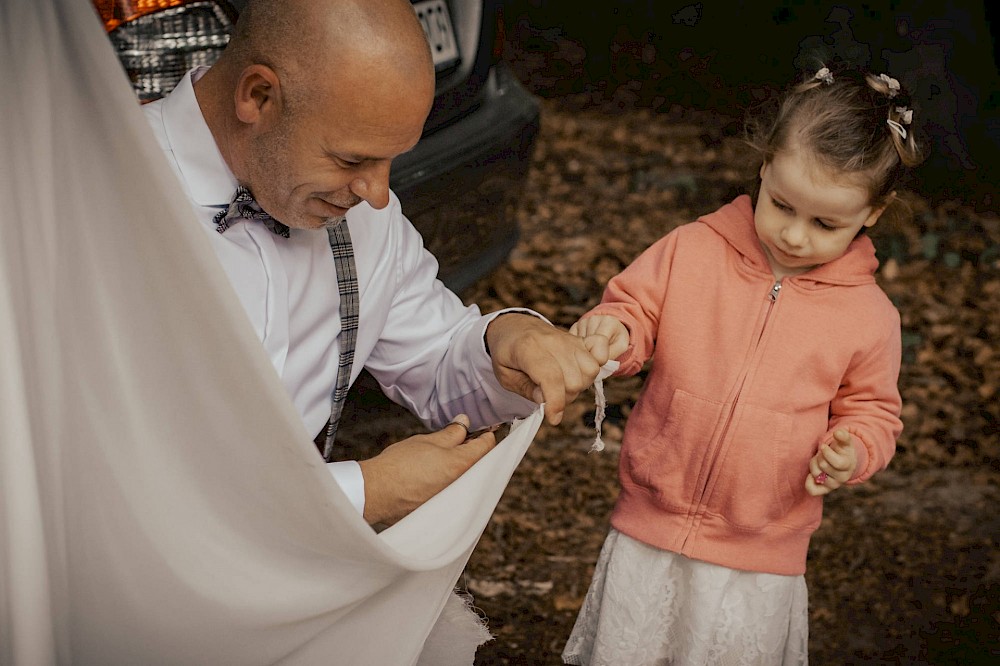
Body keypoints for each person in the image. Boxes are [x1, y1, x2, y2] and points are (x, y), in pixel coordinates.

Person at [143, 0, 607, 527]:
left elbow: (433, 357)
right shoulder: (91, 204)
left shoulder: (358, 214)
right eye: (351, 160)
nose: (380, 195)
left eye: (393, 159)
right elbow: (108, 480)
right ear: (258, 95)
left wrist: (503, 346)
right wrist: (360, 494)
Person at [561, 63, 923, 664]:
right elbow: (636, 311)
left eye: (826, 223)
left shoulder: (869, 316)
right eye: (781, 205)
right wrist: (613, 332)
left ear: (874, 214)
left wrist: (852, 448)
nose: (796, 236)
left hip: (761, 550)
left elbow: (873, 411)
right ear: (763, 167)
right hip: (652, 525)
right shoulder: (692, 248)